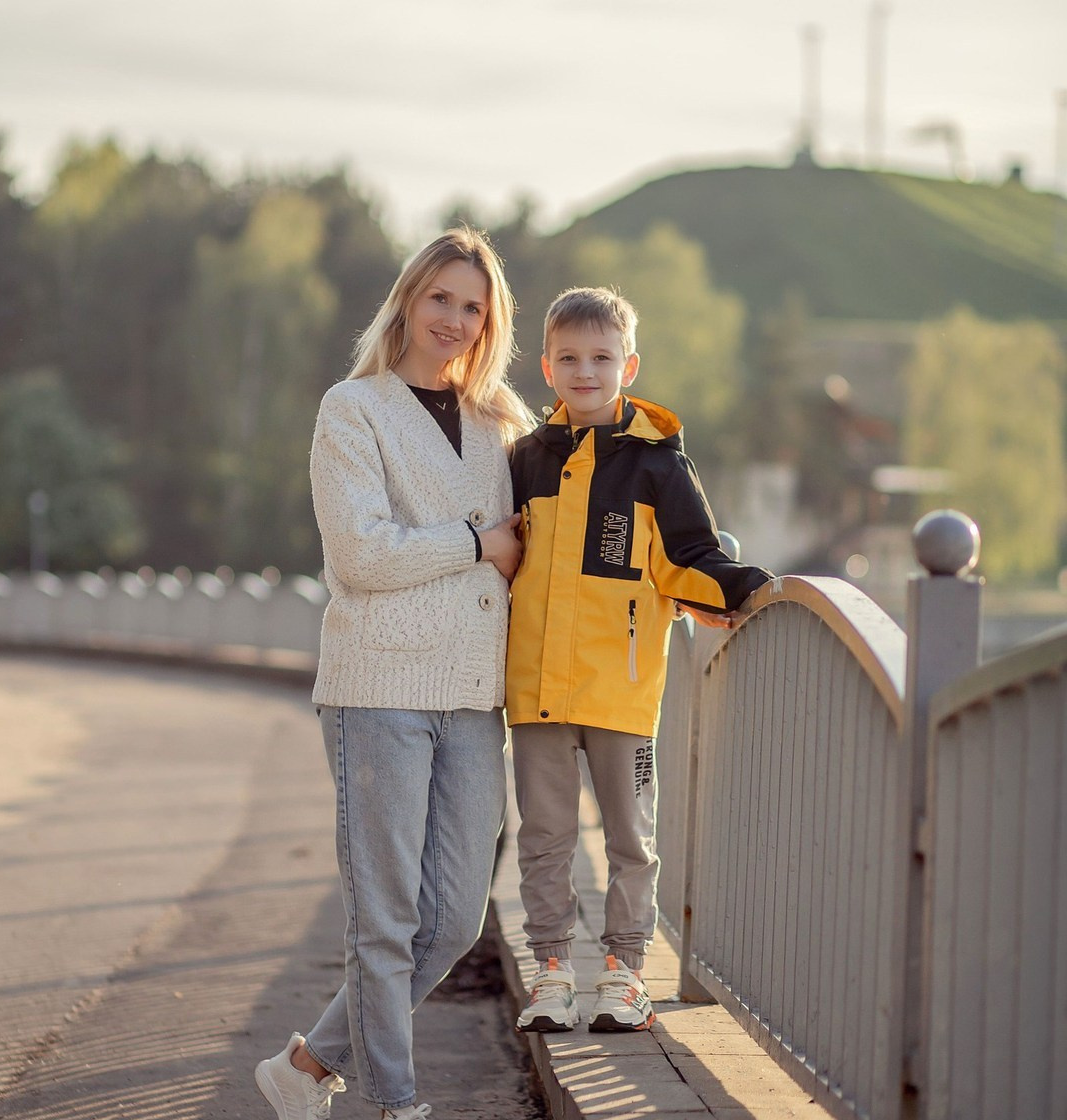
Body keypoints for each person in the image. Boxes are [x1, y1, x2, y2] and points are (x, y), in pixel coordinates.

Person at [254, 227, 534, 1120]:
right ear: (409, 300)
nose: (454, 320)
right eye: (441, 298)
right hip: (377, 689)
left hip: (472, 696)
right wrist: (473, 544)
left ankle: (305, 1067)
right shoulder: (354, 409)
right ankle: (395, 1104)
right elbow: (362, 555)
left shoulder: (502, 424)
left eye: (473, 308)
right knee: (382, 922)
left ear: (490, 325)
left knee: (452, 918)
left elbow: (538, 548)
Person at [505, 286, 772, 1035]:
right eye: (568, 358)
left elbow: (686, 560)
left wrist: (744, 587)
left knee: (631, 840)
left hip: (620, 692)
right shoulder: (525, 459)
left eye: (600, 357)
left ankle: (625, 974)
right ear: (548, 368)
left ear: (628, 365)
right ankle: (551, 971)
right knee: (544, 837)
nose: (584, 371)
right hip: (537, 694)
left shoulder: (658, 467)